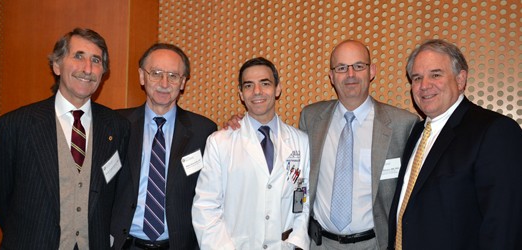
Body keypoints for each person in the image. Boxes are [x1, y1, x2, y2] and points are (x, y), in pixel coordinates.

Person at [0, 28, 130, 249]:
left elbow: (118, 195)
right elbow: (0, 195)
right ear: (57, 65)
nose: (87, 69)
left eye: (96, 60)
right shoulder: (16, 125)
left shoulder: (117, 127)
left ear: (103, 72)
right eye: (78, 56)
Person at [388, 39, 522, 250]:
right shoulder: (417, 132)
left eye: (436, 74)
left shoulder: (495, 131)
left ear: (460, 79)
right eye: (417, 78)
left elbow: (503, 225)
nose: (424, 86)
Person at [298, 40, 418, 250]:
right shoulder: (311, 117)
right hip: (319, 244)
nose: (350, 74)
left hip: (373, 244)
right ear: (332, 76)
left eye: (358, 66)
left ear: (371, 71)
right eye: (342, 68)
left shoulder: (403, 125)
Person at [192, 57, 311, 249]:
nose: (257, 91)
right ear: (241, 93)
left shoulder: (300, 142)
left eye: (265, 83)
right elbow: (206, 207)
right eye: (249, 85)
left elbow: (303, 199)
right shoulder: (219, 142)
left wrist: (296, 243)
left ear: (278, 88)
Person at [110, 43, 217, 249]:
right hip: (125, 244)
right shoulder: (116, 124)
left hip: (179, 245)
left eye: (173, 76)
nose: (164, 83)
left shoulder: (204, 131)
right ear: (142, 76)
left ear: (183, 82)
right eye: (156, 73)